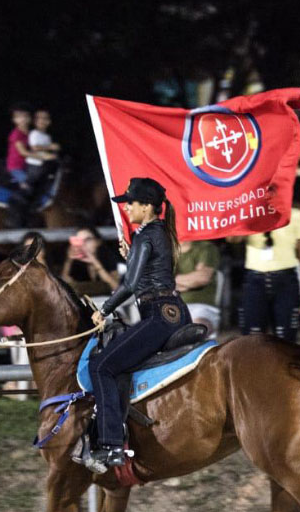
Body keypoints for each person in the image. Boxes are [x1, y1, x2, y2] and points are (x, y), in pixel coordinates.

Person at [82, 177, 189, 473]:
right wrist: (132, 257)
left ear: (147, 207)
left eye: (131, 203)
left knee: (101, 366)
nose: (126, 208)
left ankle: (111, 444)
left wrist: (104, 310)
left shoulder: (146, 235)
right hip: (174, 312)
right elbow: (148, 274)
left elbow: (130, 285)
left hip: (158, 316)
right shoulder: (156, 233)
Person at [231, 207, 300, 342]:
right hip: (254, 280)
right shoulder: (248, 212)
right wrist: (246, 216)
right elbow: (232, 239)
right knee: (252, 338)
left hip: (286, 281)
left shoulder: (296, 215)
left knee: (286, 338)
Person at [175, 238, 221, 336]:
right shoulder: (165, 250)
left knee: (197, 330)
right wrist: (191, 281)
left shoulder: (206, 247)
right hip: (171, 307)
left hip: (201, 306)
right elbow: (162, 284)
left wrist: (174, 280)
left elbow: (202, 278)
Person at [60, 226, 120, 296]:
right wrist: (69, 260)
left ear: (98, 242)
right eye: (79, 241)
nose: (83, 244)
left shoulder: (108, 258)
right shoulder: (75, 262)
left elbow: (116, 287)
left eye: (87, 240)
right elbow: (63, 288)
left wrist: (95, 262)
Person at [24, 109, 61, 200]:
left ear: (49, 121)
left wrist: (52, 154)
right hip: (34, 165)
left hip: (43, 164)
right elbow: (35, 147)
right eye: (39, 118)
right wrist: (50, 147)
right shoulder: (34, 133)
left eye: (45, 119)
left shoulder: (47, 136)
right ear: (35, 121)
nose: (42, 121)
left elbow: (46, 151)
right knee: (33, 185)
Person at [5, 103, 34, 187]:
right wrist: (42, 156)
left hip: (26, 164)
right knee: (27, 185)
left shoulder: (30, 132)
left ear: (30, 118)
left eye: (25, 116)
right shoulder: (16, 134)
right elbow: (23, 152)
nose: (23, 119)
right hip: (15, 166)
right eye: (18, 116)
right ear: (14, 119)